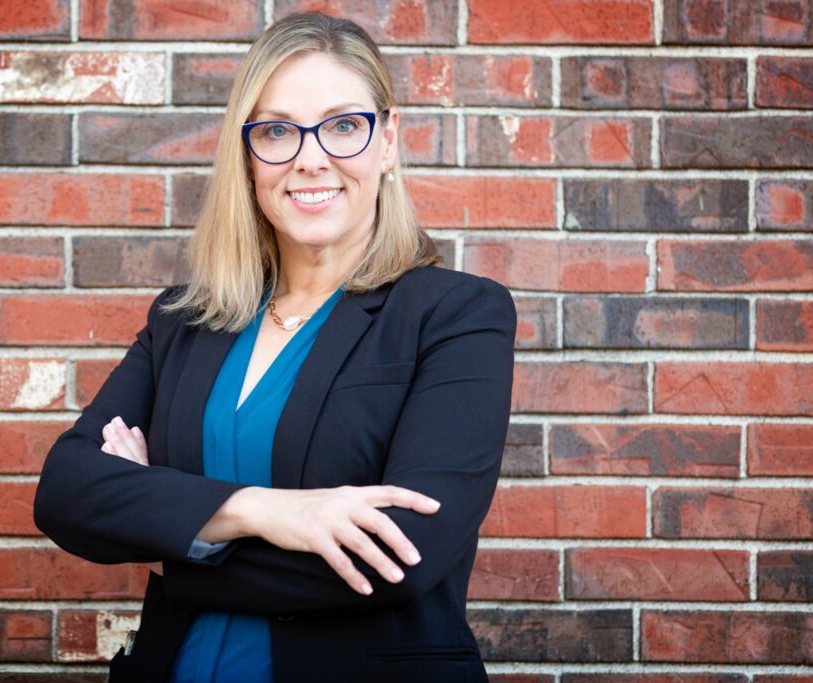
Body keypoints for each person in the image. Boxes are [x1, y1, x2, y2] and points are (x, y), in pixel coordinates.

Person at [33, 11, 516, 683]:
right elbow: (65, 491)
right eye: (279, 131)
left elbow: (399, 559)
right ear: (249, 156)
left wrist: (172, 533)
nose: (310, 157)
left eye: (344, 126)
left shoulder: (454, 316)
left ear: (388, 141)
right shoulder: (185, 321)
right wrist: (266, 511)